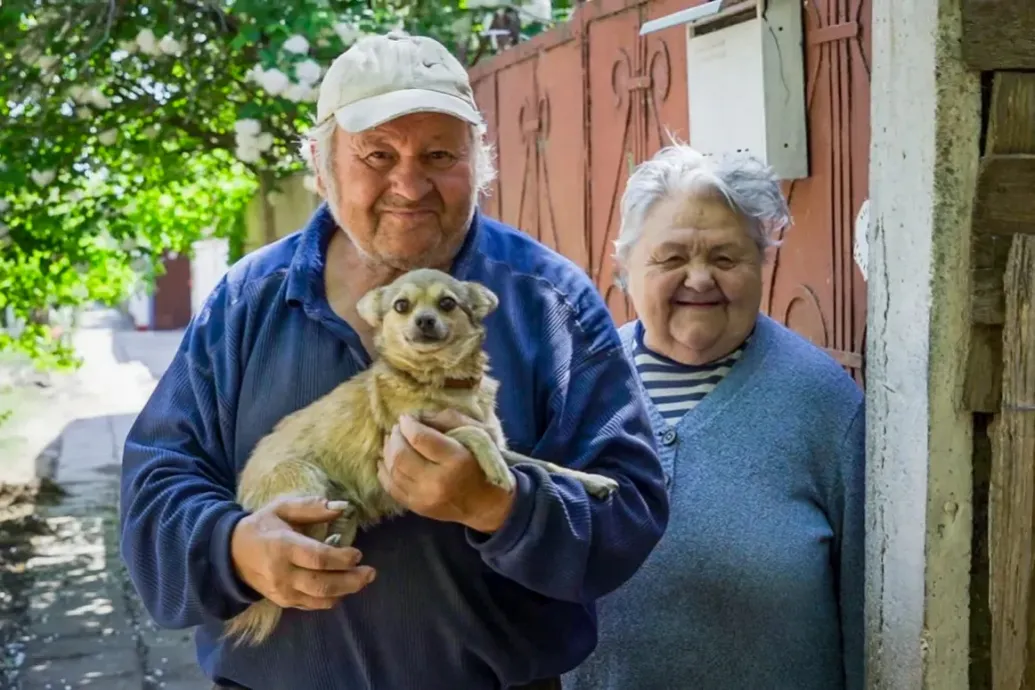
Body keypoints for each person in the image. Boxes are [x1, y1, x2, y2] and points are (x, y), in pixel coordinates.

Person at [118, 31, 669, 690]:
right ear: (322, 169)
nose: (409, 184)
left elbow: (629, 507)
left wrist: (502, 506)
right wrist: (233, 549)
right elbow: (156, 487)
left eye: (439, 154)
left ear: (478, 165)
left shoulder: (549, 302)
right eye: (376, 154)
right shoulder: (246, 302)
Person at [562, 145, 865, 690]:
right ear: (625, 266)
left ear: (762, 264)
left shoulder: (826, 405)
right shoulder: (574, 391)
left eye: (725, 258)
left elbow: (870, 613)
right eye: (672, 257)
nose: (699, 279)